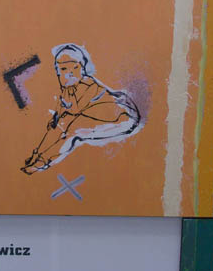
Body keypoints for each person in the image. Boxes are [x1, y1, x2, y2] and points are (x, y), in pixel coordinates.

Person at [22, 43, 141, 175]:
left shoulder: (87, 85)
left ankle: (41, 163)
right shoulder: (67, 89)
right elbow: (60, 115)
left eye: (74, 67)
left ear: (82, 68)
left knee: (74, 131)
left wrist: (61, 119)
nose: (69, 73)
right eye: (63, 69)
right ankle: (37, 155)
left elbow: (75, 112)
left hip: (123, 118)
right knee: (58, 125)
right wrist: (55, 120)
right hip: (98, 114)